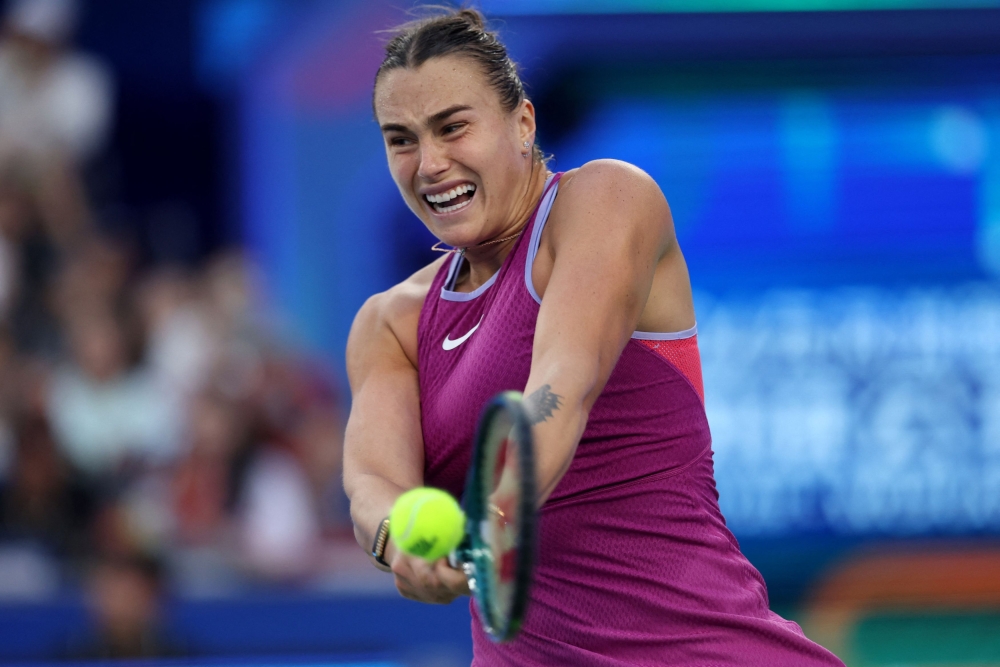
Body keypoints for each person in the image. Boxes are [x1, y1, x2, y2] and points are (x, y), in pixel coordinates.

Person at [343, 8, 845, 666]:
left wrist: (495, 518)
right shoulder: (389, 323)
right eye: (401, 139)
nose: (430, 163)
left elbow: (563, 382)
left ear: (523, 123)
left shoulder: (607, 199)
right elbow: (372, 478)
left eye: (453, 127)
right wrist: (398, 539)